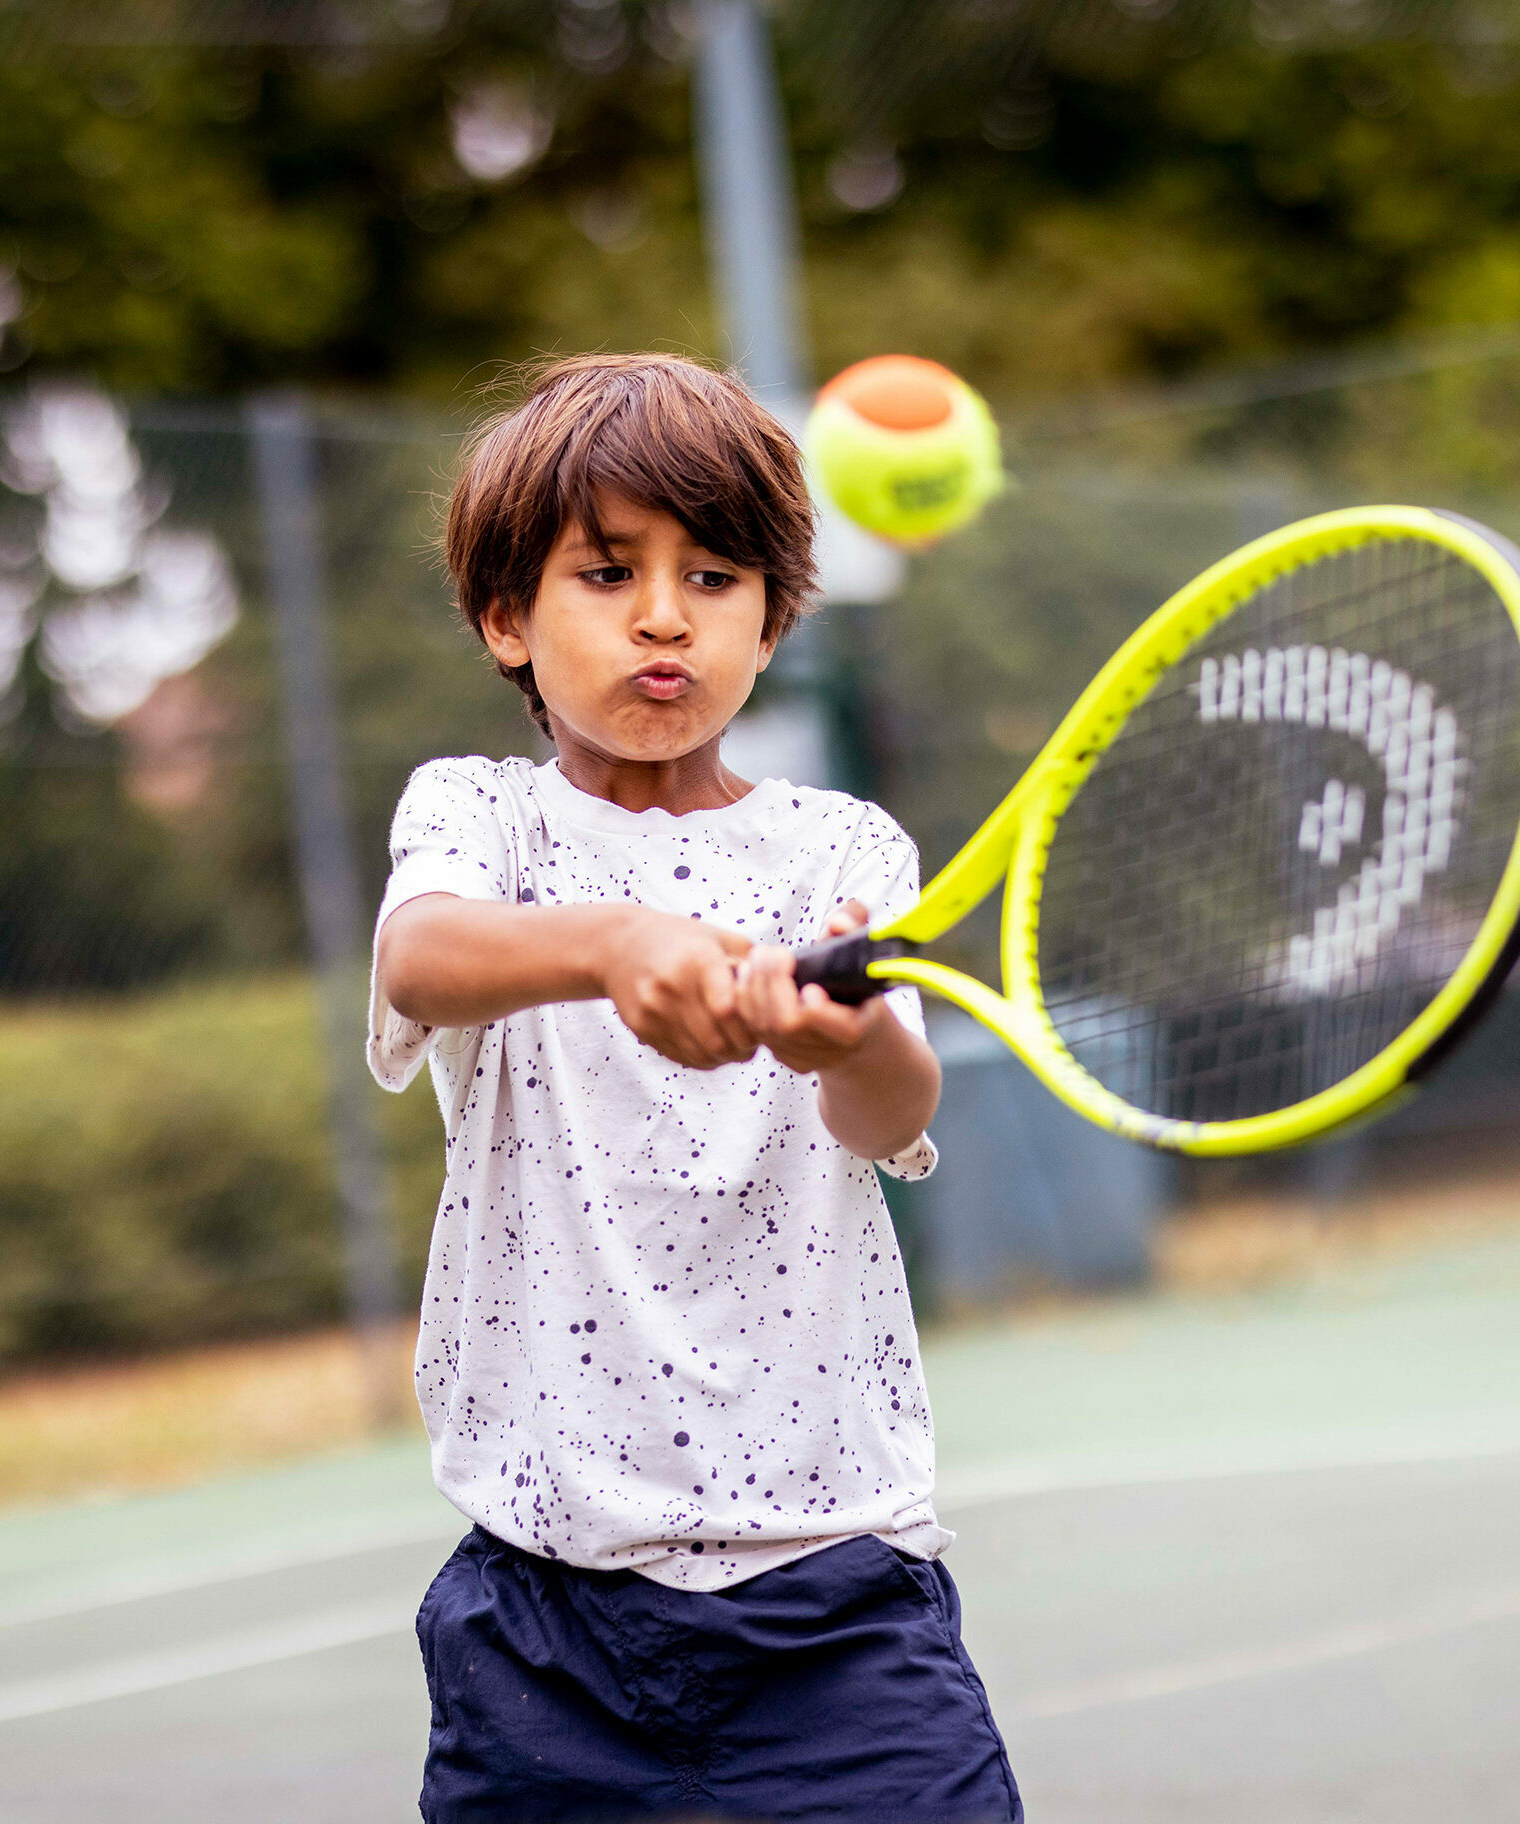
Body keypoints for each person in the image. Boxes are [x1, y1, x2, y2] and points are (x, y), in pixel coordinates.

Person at [369, 352, 1021, 1823]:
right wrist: (614, 944)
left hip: (839, 1604)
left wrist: (843, 1040)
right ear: (506, 618)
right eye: (609, 573)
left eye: (715, 577)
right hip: (543, 1629)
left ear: (772, 621)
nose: (666, 614)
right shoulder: (480, 817)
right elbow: (423, 959)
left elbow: (894, 1114)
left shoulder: (845, 852)